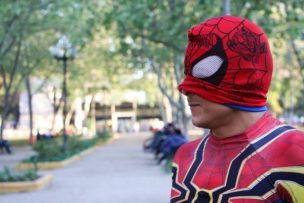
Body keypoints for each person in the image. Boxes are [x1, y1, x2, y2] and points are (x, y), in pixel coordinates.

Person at [170, 15, 304, 202]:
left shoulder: (296, 152)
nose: (185, 89)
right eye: (188, 74)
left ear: (246, 74)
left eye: (204, 72)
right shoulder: (184, 157)